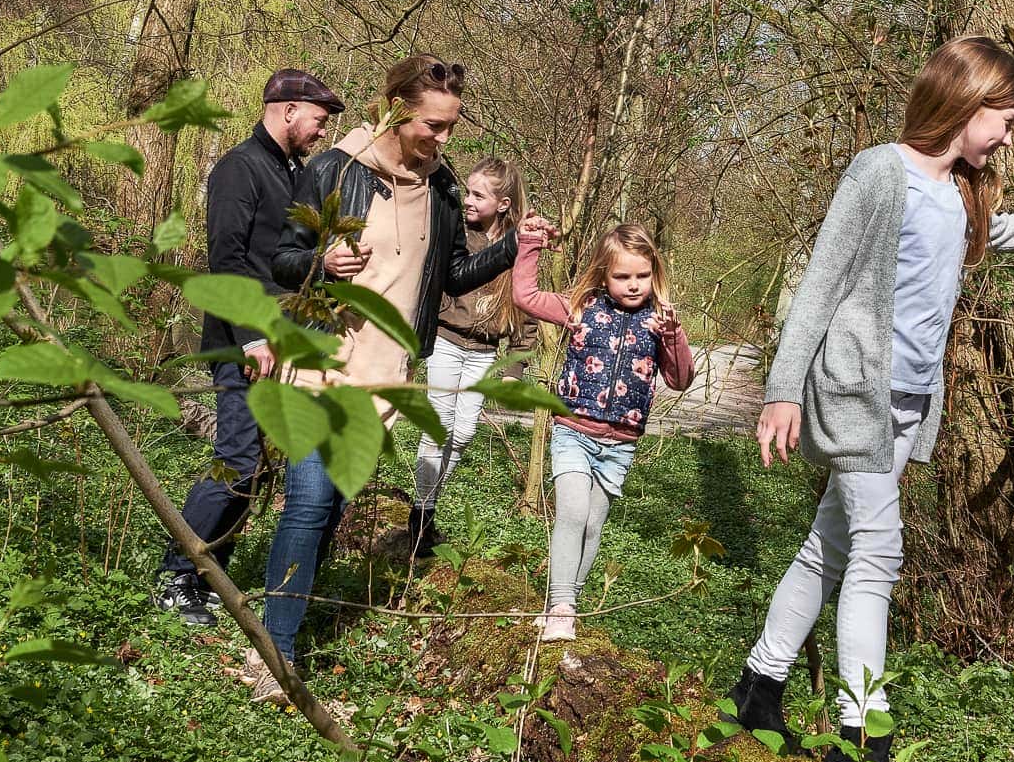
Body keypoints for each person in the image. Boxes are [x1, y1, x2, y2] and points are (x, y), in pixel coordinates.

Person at [728, 34, 1014, 762]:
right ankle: (861, 739)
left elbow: (990, 238)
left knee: (828, 549)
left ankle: (759, 684)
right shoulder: (879, 172)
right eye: (1003, 119)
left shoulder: (962, 192)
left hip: (908, 403)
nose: (1008, 135)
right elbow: (820, 283)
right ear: (965, 103)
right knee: (879, 555)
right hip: (851, 392)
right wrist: (781, 389)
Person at [246, 54, 521, 702]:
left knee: (333, 506)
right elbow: (281, 259)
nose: (443, 139)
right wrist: (323, 260)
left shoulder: (445, 189)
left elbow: (451, 277)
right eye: (433, 125)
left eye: (452, 126)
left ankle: (286, 617)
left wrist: (517, 248)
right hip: (321, 362)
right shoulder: (336, 169)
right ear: (396, 108)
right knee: (311, 502)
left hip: (386, 378)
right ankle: (273, 655)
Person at [152, 68, 341, 628]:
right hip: (242, 343)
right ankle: (175, 576)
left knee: (254, 469)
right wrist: (253, 336)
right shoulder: (239, 168)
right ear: (287, 111)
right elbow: (226, 260)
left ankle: (211, 577)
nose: (321, 132)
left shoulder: (293, 172)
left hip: (284, 345)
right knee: (236, 460)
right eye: (317, 120)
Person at [513, 219, 696, 642]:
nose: (633, 285)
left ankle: (564, 603)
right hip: (573, 430)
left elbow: (681, 379)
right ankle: (561, 604)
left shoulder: (659, 321)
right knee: (573, 513)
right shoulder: (583, 307)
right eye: (622, 276)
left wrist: (674, 336)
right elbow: (525, 296)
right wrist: (530, 244)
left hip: (620, 444)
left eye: (642, 275)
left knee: (593, 526)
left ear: (655, 273)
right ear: (603, 274)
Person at [409, 157, 536, 555]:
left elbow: (527, 309)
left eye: (478, 194)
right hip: (447, 340)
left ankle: (429, 505)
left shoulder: (517, 246)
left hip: (484, 351)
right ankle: (421, 518)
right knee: (438, 428)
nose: (467, 199)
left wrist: (515, 365)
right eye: (467, 190)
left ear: (502, 203)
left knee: (462, 435)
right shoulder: (457, 233)